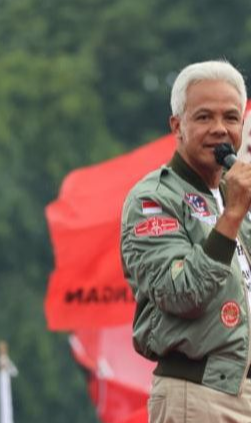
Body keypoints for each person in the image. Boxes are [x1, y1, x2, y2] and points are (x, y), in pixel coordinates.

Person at [121, 60, 251, 422]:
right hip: (198, 395)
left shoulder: (234, 192)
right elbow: (180, 293)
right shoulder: (152, 200)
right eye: (204, 117)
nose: (219, 129)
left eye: (230, 117)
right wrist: (232, 217)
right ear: (177, 126)